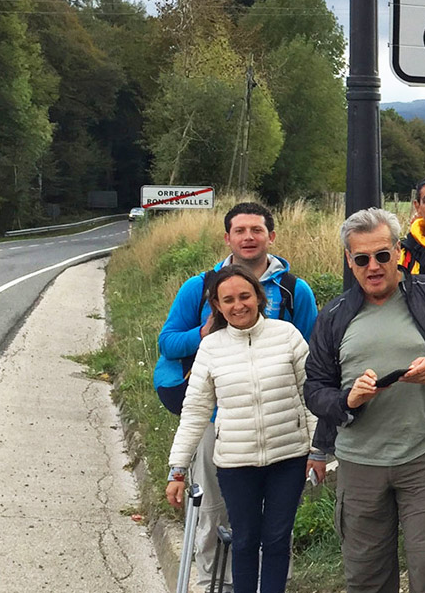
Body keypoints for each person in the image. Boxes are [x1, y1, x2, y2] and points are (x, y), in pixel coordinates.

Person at [303, 208, 425, 593]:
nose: (373, 266)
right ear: (350, 262)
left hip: (424, 457)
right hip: (359, 462)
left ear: (399, 252)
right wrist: (346, 401)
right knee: (366, 577)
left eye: (382, 255)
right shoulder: (334, 314)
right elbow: (315, 386)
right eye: (362, 258)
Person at [153, 202, 318, 590]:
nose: (248, 237)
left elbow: (309, 379)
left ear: (270, 236)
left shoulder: (293, 297)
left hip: (285, 441)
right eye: (239, 230)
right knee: (219, 517)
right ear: (227, 237)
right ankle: (215, 583)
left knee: (277, 535)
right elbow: (171, 352)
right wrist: (204, 334)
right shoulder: (201, 289)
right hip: (225, 432)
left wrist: (318, 447)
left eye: (256, 230)